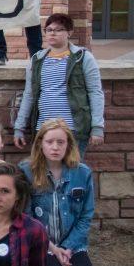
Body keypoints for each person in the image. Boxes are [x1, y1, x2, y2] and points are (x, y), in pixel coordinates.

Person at [18, 119, 96, 266]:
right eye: (49, 142)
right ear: (40, 144)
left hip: (73, 244)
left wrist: (67, 249)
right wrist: (53, 249)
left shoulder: (82, 173)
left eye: (60, 142)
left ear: (68, 145)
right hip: (42, 243)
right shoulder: (26, 171)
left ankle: (67, 259)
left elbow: (86, 216)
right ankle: (46, 264)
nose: (55, 147)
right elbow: (27, 217)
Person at [13, 13, 105, 158]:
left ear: (69, 32)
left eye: (58, 30)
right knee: (43, 175)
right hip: (44, 129)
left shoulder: (83, 57)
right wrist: (19, 127)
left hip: (74, 129)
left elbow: (95, 92)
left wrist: (97, 127)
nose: (52, 33)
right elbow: (29, 95)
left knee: (72, 174)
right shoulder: (37, 59)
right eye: (49, 30)